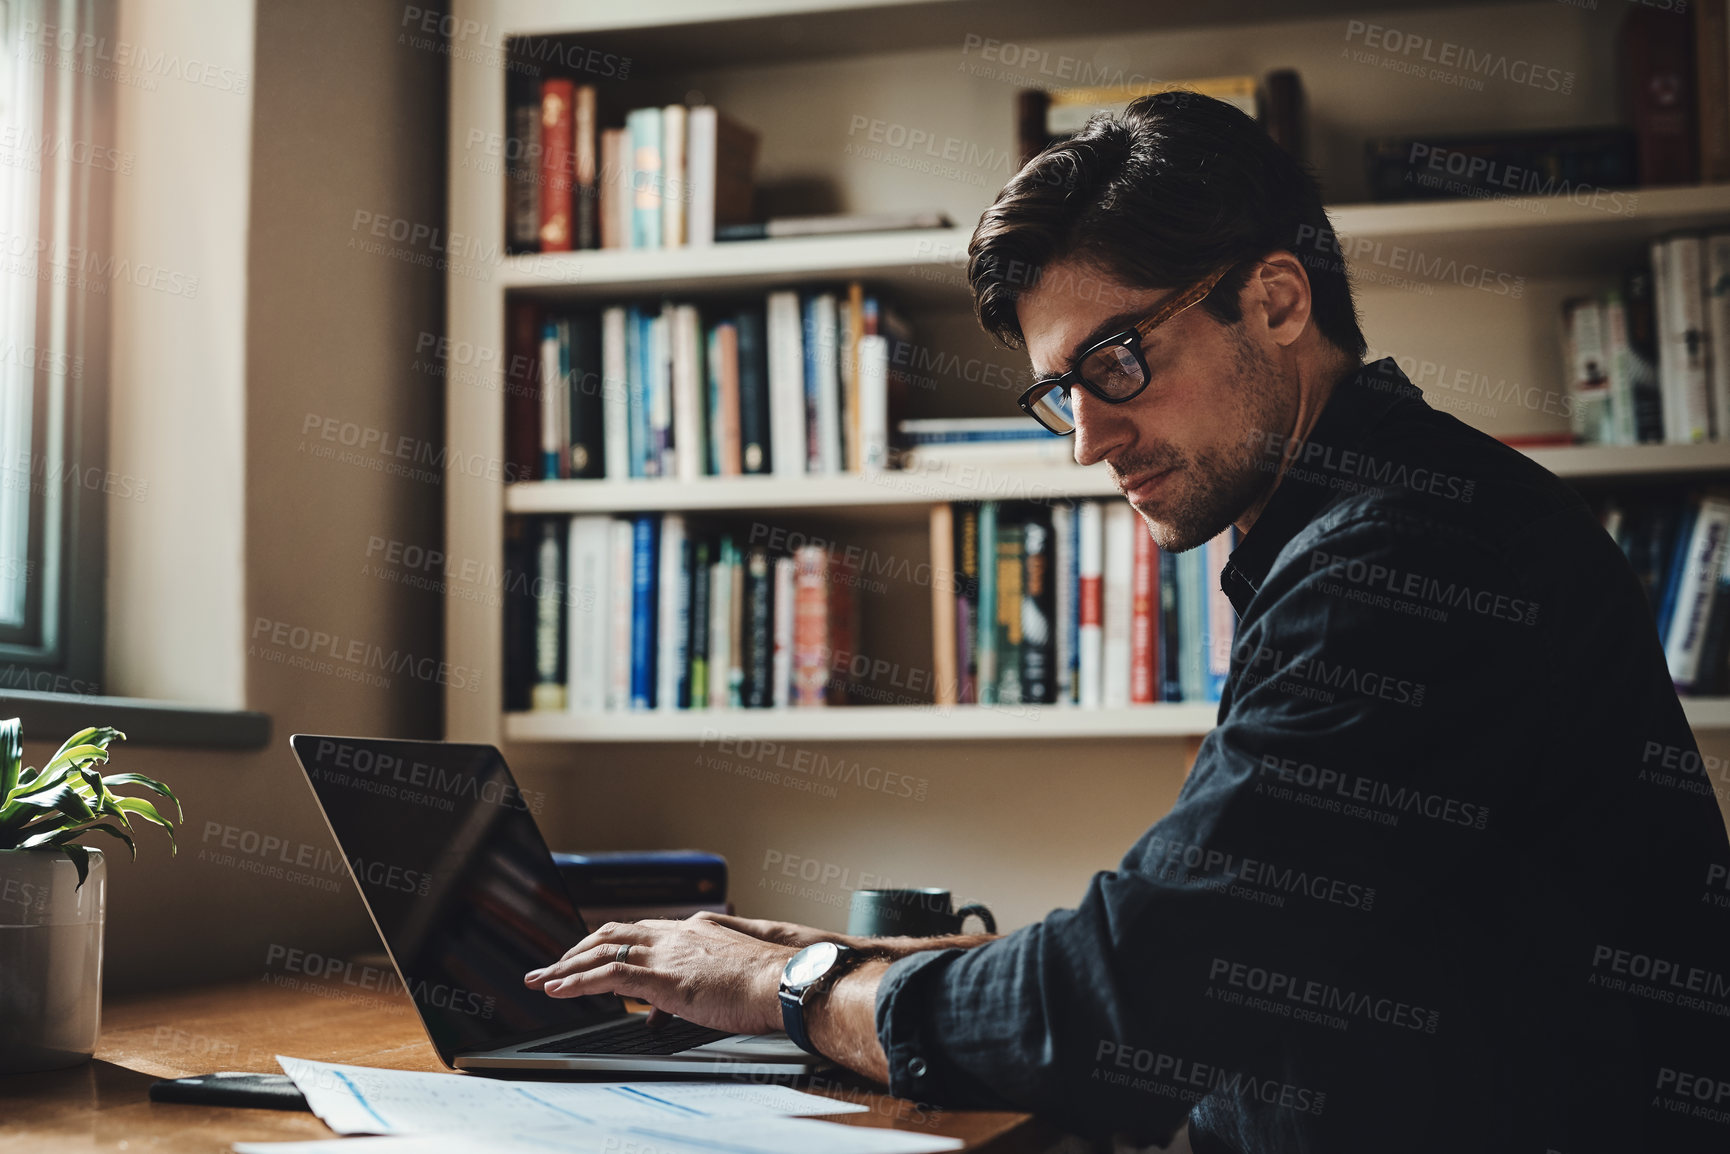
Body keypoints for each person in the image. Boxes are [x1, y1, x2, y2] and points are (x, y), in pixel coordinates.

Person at [525, 94, 1730, 1151]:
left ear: (1271, 299)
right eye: (1061, 393)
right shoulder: (1371, 523)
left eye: (1114, 363)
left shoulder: (1403, 561)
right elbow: (1206, 937)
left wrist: (783, 982)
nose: (1089, 439)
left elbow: (1127, 1008)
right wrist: (863, 969)